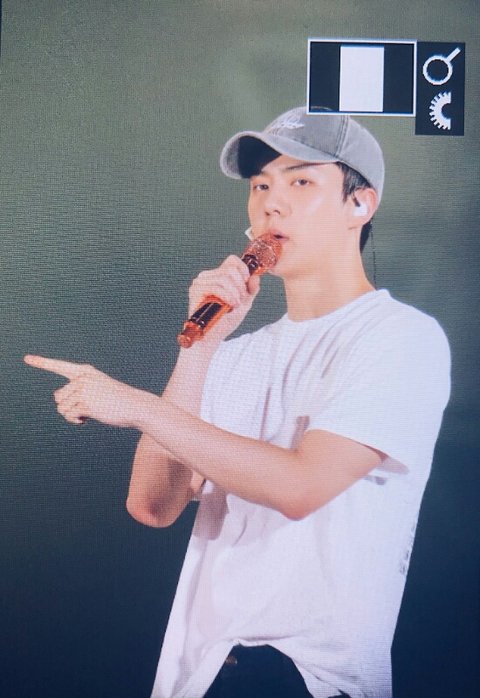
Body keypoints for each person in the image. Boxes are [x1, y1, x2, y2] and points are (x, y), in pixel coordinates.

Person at [24, 106, 451, 698]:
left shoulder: (401, 337)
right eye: (260, 186)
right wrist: (200, 350)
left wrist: (139, 406)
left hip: (306, 674)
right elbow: (153, 504)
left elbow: (300, 487)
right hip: (205, 669)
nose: (272, 205)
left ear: (360, 204)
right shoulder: (235, 355)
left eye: (301, 182)